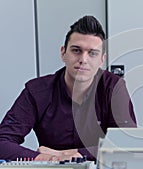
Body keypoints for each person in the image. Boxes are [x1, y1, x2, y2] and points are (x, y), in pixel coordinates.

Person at [0, 15, 136, 161]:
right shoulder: (37, 91)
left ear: (102, 60)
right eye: (76, 50)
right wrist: (46, 158)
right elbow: (2, 142)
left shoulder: (114, 87)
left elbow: (128, 143)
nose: (83, 59)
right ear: (63, 53)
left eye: (92, 53)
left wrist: (71, 154)